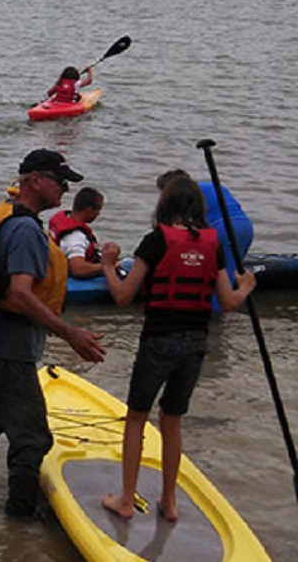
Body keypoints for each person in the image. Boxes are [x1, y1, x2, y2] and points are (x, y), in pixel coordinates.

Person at [0, 149, 107, 519]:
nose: (64, 191)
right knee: (33, 438)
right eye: (60, 182)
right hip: (6, 349)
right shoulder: (25, 230)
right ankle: (20, 521)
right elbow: (21, 294)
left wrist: (48, 324)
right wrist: (69, 333)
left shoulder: (5, 215)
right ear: (35, 181)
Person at [99, 175, 255, 523]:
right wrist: (245, 286)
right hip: (195, 344)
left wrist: (108, 266)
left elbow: (123, 296)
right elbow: (229, 302)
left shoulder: (156, 241)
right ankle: (169, 501)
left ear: (164, 204)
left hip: (158, 341)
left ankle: (126, 500)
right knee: (172, 420)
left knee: (137, 418)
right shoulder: (212, 244)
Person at [48, 187, 105, 279]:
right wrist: (107, 266)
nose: (98, 214)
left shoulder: (65, 218)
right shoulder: (76, 237)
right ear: (89, 210)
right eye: (98, 210)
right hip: (70, 277)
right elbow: (78, 269)